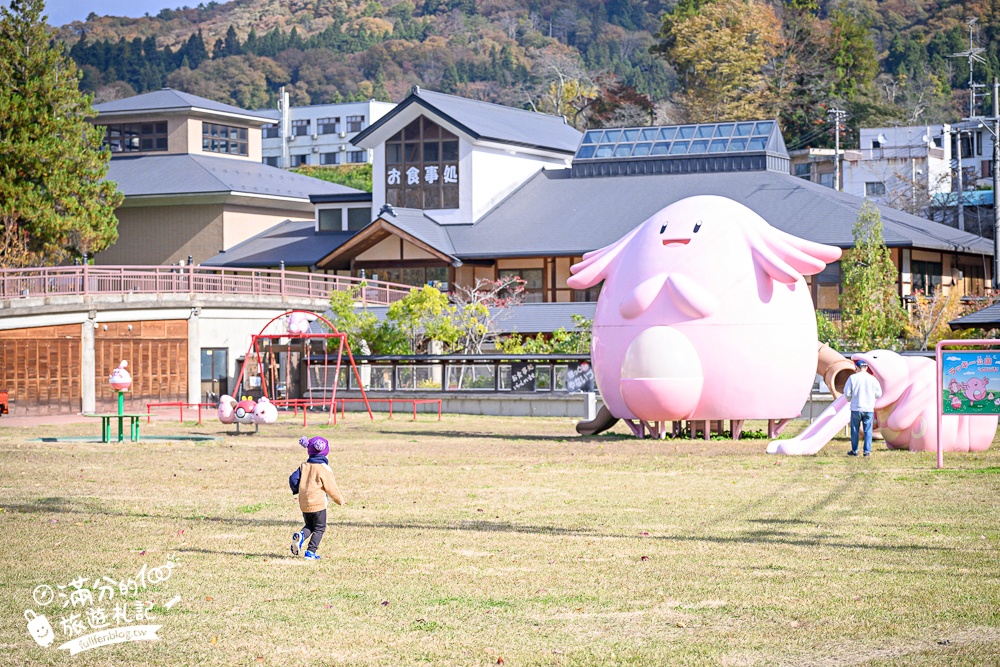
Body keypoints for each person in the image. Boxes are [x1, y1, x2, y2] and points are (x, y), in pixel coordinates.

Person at [288, 436, 344, 560]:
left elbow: (293, 479)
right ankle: (310, 552)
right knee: (319, 528)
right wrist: (339, 499)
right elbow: (331, 487)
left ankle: (301, 535)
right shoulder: (324, 468)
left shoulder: (303, 466)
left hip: (304, 503)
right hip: (318, 504)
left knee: (310, 525)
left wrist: (297, 489)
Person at [842, 359, 883, 457]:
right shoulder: (873, 379)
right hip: (868, 408)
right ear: (867, 368)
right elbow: (879, 393)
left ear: (856, 367)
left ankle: (855, 450)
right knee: (868, 430)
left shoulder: (852, 378)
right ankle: (867, 451)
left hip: (856, 408)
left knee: (855, 430)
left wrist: (850, 399)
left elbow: (847, 393)